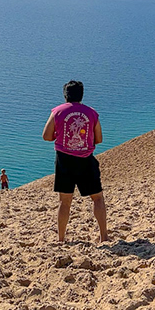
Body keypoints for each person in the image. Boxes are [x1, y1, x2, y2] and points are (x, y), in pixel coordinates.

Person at [42, 80, 108, 244]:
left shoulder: (57, 111)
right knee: (98, 198)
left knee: (64, 202)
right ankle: (104, 237)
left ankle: (61, 238)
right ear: (82, 94)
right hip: (86, 160)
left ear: (65, 96)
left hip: (64, 161)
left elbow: (46, 136)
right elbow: (98, 139)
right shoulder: (91, 113)